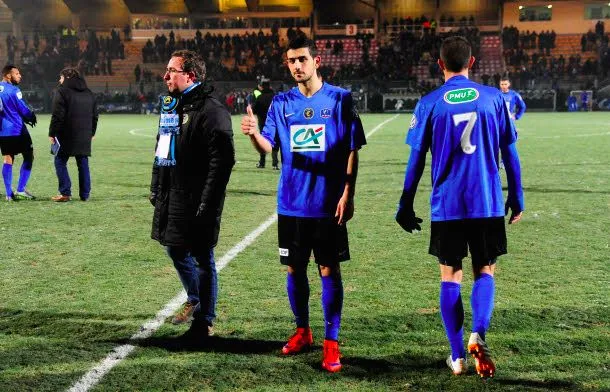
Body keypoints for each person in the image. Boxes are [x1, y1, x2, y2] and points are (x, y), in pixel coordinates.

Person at [395, 36, 524, 378]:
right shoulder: (495, 99)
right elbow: (510, 154)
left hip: (447, 206)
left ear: (439, 65)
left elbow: (415, 160)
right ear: (473, 63)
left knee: (450, 275)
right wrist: (517, 196)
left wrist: (405, 203)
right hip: (487, 202)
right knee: (485, 269)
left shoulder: (429, 103)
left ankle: (457, 357)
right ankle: (478, 333)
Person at [241, 36, 366, 373]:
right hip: (291, 203)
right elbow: (268, 147)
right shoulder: (281, 102)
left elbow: (352, 148)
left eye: (301, 59)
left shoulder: (340, 99)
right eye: (291, 61)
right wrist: (253, 134)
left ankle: (331, 342)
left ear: (317, 60)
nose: (296, 66)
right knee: (294, 269)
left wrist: (348, 193)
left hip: (327, 204)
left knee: (329, 270)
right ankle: (303, 331)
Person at [150, 49, 235, 337]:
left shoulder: (212, 111)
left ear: (190, 75)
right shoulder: (171, 106)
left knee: (202, 257)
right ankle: (195, 297)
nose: (165, 76)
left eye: (172, 71)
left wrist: (208, 202)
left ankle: (204, 321)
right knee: (174, 248)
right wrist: (156, 186)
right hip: (172, 194)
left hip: (198, 198)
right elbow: (162, 149)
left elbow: (222, 162)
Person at [49, 68, 99, 202]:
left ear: (67, 77)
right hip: (84, 134)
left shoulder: (61, 91)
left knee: (59, 161)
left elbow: (57, 115)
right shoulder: (89, 93)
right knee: (83, 163)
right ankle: (85, 195)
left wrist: (52, 133)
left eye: (61, 77)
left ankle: (65, 192)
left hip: (66, 133)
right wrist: (91, 132)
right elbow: (95, 116)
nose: (59, 81)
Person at [0, 65, 37, 201]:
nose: (20, 75)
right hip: (17, 129)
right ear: (8, 75)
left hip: (3, 131)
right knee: (29, 156)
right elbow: (23, 109)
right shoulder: (14, 90)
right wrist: (31, 116)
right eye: (16, 73)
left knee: (8, 158)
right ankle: (20, 190)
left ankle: (8, 194)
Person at [252, 79, 279, 170]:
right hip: (275, 124)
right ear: (270, 86)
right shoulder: (275, 97)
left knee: (263, 143)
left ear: (262, 87)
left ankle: (262, 163)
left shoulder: (260, 97)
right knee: (275, 143)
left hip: (263, 124)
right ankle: (275, 164)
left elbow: (254, 110)